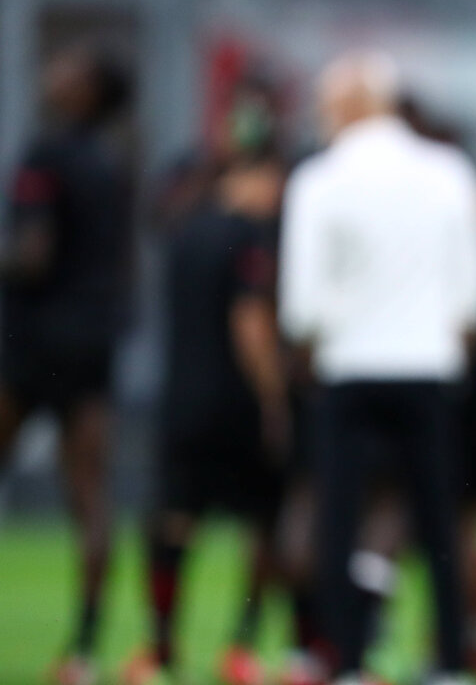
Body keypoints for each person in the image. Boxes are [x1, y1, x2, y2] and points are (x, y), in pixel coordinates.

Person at [278, 50, 476, 685]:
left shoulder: (319, 179)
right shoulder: (449, 170)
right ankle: (450, 659)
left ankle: (346, 658)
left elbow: (300, 306)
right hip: (429, 367)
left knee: (339, 520)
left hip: (348, 369)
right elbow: (473, 293)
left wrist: (320, 342)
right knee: (438, 522)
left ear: (346, 107)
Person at [124, 87, 291, 685]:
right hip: (236, 405)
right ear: (260, 173)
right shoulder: (250, 237)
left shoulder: (187, 228)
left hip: (181, 401)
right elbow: (249, 325)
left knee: (173, 521)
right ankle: (240, 649)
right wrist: (275, 399)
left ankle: (162, 653)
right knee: (264, 522)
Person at [0, 45, 134, 685]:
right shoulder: (112, 164)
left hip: (31, 343)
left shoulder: (43, 155)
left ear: (89, 94)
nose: (54, 71)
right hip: (92, 343)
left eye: (71, 69)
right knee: (90, 495)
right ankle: (82, 650)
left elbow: (32, 255)